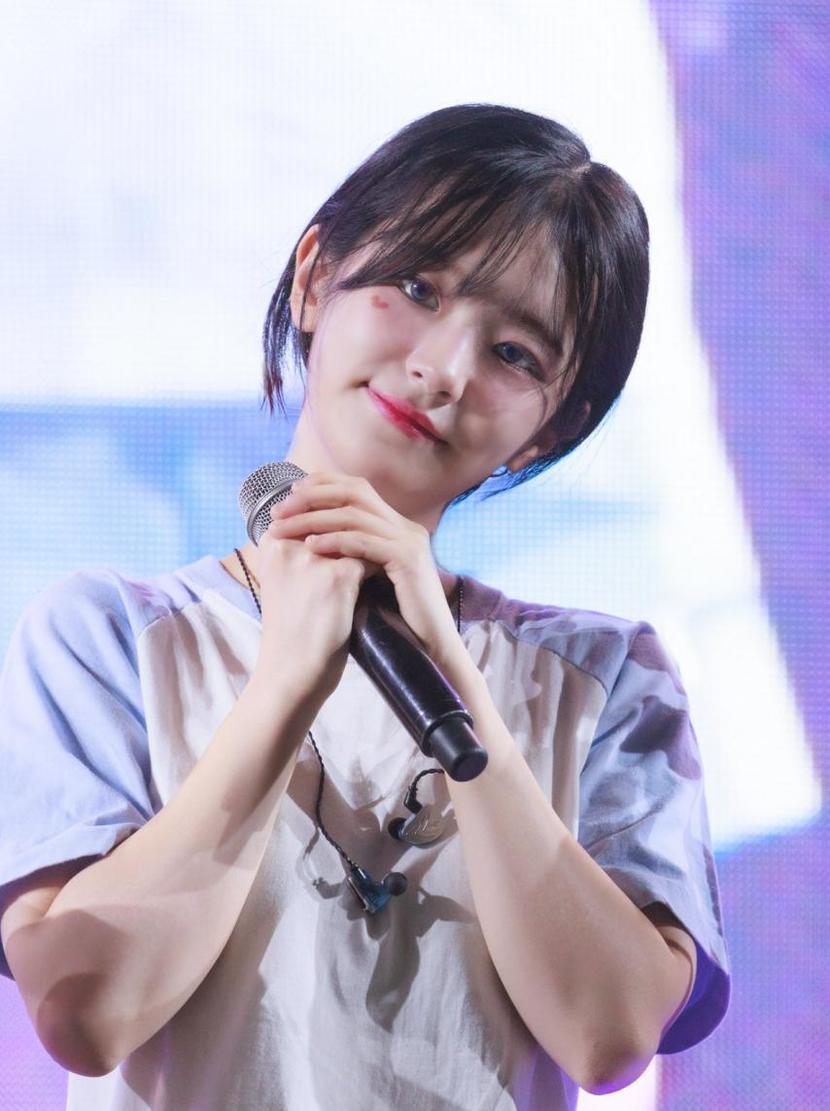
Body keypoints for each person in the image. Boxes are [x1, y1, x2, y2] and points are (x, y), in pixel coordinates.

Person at [0, 103, 730, 1109]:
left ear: (547, 430)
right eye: (418, 287)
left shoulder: (607, 678)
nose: (443, 368)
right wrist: (284, 681)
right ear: (314, 277)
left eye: (515, 355)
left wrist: (460, 689)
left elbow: (607, 1034)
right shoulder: (107, 638)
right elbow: (87, 1011)